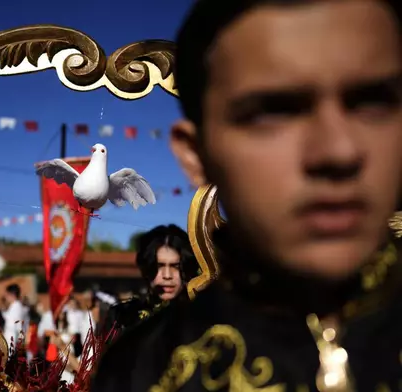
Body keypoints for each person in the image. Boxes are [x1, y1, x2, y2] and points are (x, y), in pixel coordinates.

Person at [93, 0, 402, 391]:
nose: (338, 151)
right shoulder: (146, 371)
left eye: (373, 102)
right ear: (196, 154)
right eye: (273, 112)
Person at [104, 225, 197, 334]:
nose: (167, 275)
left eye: (175, 266)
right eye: (159, 266)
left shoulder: (200, 317)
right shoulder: (121, 316)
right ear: (146, 269)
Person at [1, 284, 28, 353]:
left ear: (11, 295)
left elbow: (17, 328)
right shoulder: (14, 306)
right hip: (10, 340)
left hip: (12, 341)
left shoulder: (17, 307)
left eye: (7, 295)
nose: (6, 297)